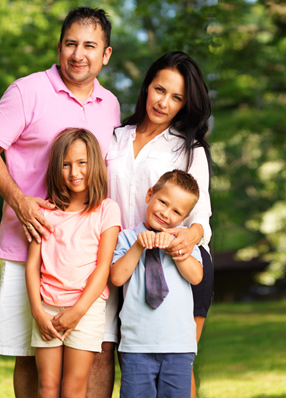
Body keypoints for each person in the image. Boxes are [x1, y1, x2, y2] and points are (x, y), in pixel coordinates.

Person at [0, 6, 120, 398]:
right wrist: (20, 202)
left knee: (99, 350)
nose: (78, 54)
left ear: (106, 54)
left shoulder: (111, 105)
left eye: (90, 46)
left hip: (86, 257)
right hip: (29, 247)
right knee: (30, 355)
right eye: (71, 44)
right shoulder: (27, 91)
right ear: (59, 48)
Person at [105, 51, 213, 397]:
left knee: (178, 363)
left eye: (177, 97)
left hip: (179, 264)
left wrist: (186, 239)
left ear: (185, 104)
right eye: (160, 89)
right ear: (147, 86)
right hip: (124, 258)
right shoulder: (115, 138)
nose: (164, 103)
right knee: (134, 360)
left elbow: (201, 217)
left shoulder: (189, 149)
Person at [26, 128, 120, 398]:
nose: (74, 172)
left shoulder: (106, 209)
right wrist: (37, 311)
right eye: (66, 164)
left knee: (74, 388)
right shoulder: (44, 211)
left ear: (95, 164)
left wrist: (77, 311)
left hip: (85, 309)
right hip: (47, 308)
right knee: (47, 386)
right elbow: (32, 266)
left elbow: (103, 267)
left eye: (82, 163)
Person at [110, 170, 203, 398]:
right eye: (163, 202)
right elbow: (117, 278)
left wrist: (176, 249)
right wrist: (138, 246)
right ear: (149, 194)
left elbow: (196, 276)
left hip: (178, 346)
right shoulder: (127, 238)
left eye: (176, 212)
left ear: (184, 218)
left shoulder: (184, 241)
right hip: (136, 346)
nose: (166, 213)